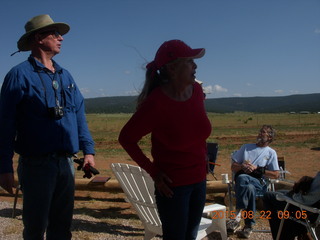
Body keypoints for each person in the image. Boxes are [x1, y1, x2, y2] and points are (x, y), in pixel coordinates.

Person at [0, 14, 95, 240]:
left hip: (66, 163)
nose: (61, 38)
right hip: (36, 166)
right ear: (39, 38)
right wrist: (4, 167)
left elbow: (78, 114)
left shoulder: (65, 75)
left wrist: (88, 151)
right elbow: (5, 123)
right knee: (35, 228)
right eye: (55, 34)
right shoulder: (19, 75)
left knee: (62, 228)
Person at [118, 39, 211, 240]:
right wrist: (154, 172)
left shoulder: (196, 92)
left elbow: (196, 132)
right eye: (189, 61)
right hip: (173, 188)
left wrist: (203, 157)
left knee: (191, 235)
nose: (195, 66)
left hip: (199, 181)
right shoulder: (156, 104)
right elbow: (126, 139)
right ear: (172, 68)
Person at [227, 125, 280, 238]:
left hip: (258, 181)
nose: (260, 134)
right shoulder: (246, 147)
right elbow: (233, 167)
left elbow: (276, 174)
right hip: (245, 181)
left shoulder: (271, 153)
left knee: (243, 179)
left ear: (270, 137)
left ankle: (236, 217)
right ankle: (248, 226)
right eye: (260, 131)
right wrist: (242, 166)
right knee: (248, 187)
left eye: (263, 132)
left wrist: (258, 169)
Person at [263, 172, 320, 240]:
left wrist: (294, 195)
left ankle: (287, 235)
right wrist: (310, 181)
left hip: (307, 210)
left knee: (269, 197)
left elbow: (306, 200)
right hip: (308, 202)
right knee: (280, 193)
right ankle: (300, 232)